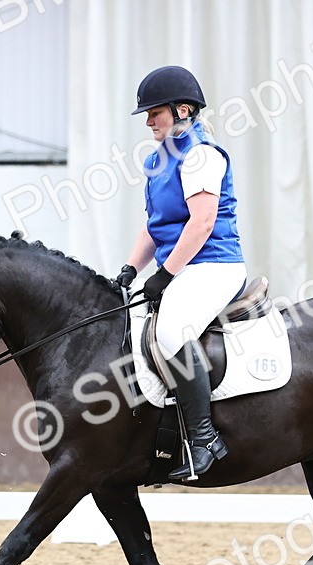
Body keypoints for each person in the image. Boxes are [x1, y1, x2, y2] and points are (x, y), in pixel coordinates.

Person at [116, 66, 246, 481]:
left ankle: (205, 439)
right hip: (184, 267)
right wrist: (130, 269)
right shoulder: (157, 160)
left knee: (171, 331)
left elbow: (202, 222)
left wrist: (165, 275)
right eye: (148, 113)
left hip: (214, 265)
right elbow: (154, 226)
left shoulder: (201, 154)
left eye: (155, 112)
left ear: (183, 109)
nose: (149, 120)